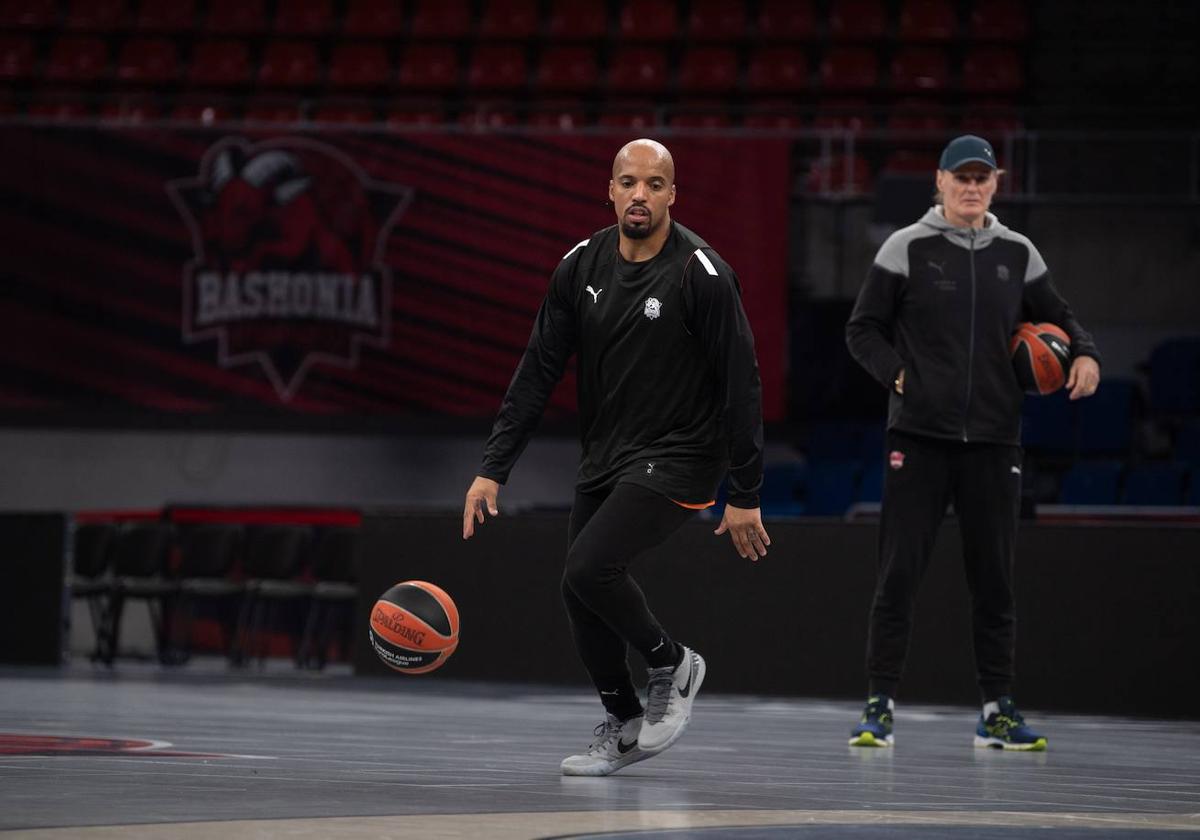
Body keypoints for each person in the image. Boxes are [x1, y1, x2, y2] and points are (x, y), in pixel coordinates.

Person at [462, 138, 769, 777]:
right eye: (628, 182)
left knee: (589, 566)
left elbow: (742, 382)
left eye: (654, 185)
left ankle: (671, 663)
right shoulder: (580, 265)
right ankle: (624, 720)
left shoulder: (701, 273)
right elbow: (537, 370)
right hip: (608, 452)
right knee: (579, 590)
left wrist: (745, 492)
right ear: (609, 189)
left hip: (683, 453)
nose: (640, 195)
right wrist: (494, 466)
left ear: (672, 195)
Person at [844, 135, 1101, 751]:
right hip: (918, 438)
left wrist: (1085, 352)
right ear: (940, 181)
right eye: (961, 177)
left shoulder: (1018, 253)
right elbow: (863, 330)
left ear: (996, 183)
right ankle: (879, 707)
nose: (971, 187)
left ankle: (997, 711)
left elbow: (1062, 318)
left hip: (993, 440)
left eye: (981, 178)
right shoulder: (907, 246)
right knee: (898, 576)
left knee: (995, 583)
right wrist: (899, 374)